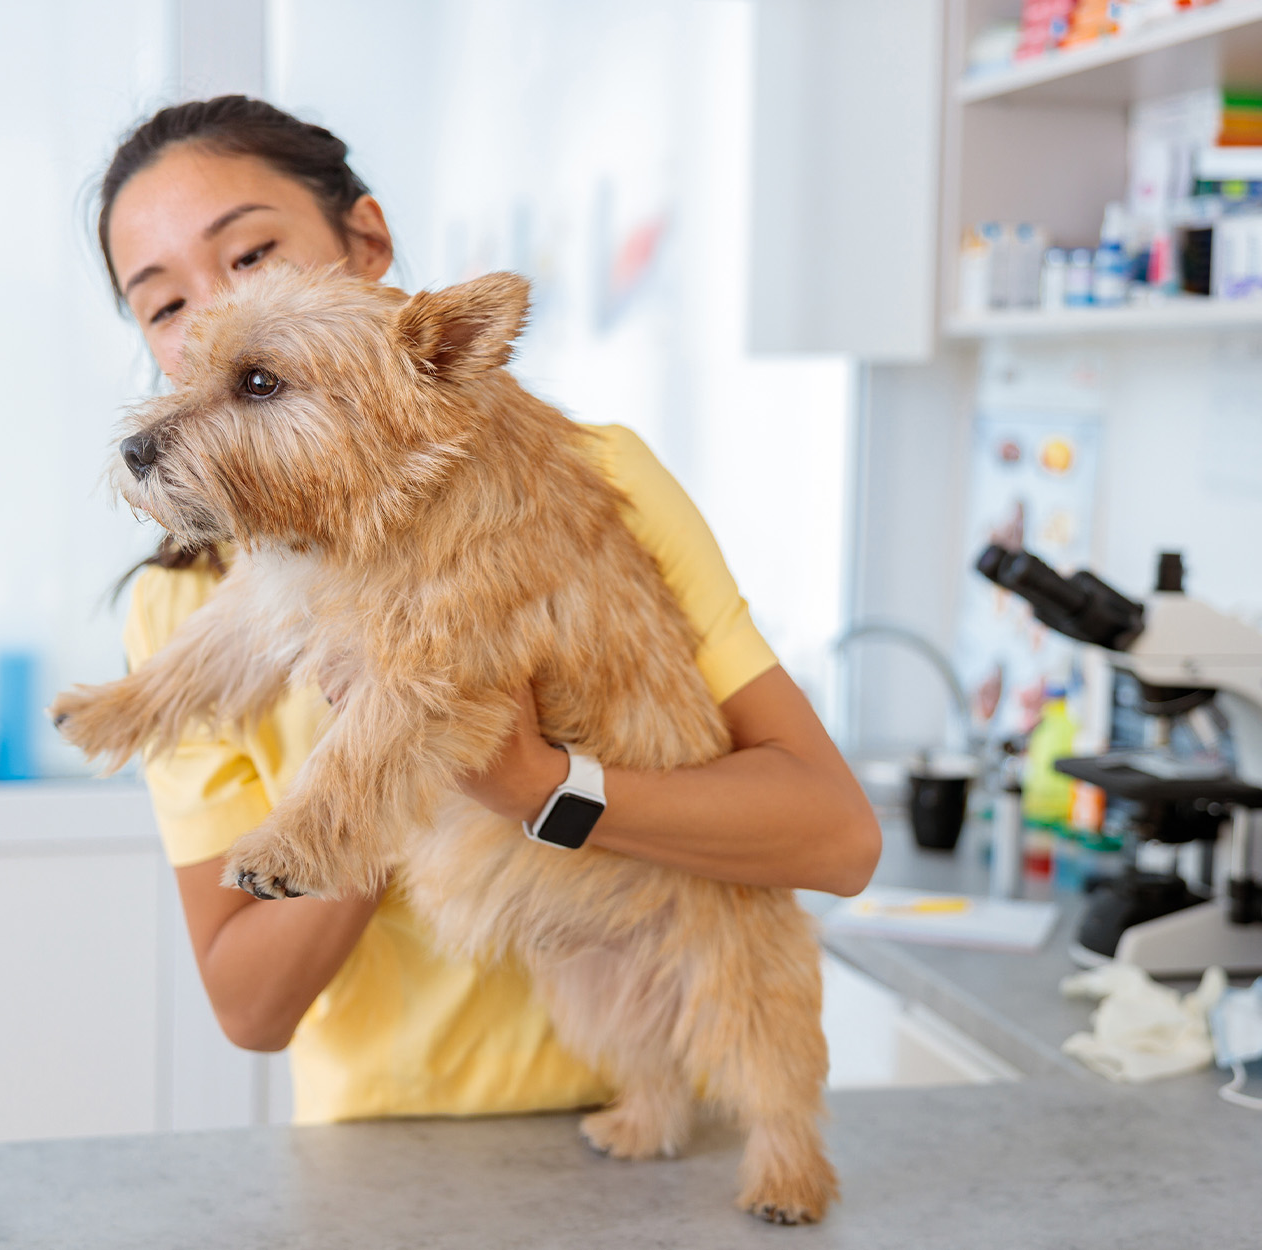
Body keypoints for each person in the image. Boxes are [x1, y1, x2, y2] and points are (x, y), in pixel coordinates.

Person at [98, 96, 880, 1124]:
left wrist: (541, 785)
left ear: (366, 243)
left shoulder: (596, 481)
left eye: (250, 258)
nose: (214, 319)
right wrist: (384, 761)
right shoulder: (181, 608)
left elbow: (834, 837)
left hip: (637, 1115)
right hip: (385, 1147)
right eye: (162, 306)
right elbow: (250, 1003)